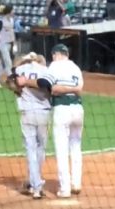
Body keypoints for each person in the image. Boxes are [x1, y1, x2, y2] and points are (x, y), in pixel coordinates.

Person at [17, 44, 84, 198]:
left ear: (56, 54)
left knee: (61, 149)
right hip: (79, 110)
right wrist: (71, 89)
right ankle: (76, 183)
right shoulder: (76, 67)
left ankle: (65, 189)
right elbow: (80, 88)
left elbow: (44, 84)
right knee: (75, 146)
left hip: (63, 110)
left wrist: (27, 81)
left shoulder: (54, 66)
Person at [8, 52, 51, 200]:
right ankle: (36, 183)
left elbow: (12, 72)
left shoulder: (20, 69)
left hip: (27, 113)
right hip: (44, 113)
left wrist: (25, 58)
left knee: (31, 149)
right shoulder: (46, 70)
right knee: (41, 149)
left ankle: (35, 186)